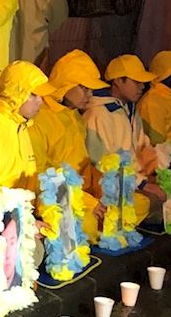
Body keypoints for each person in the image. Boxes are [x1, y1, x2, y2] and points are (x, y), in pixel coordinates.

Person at [28, 50, 110, 239]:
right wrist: (88, 201)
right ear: (66, 85)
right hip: (55, 198)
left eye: (91, 89)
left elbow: (84, 163)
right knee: (88, 225)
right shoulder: (40, 118)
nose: (90, 94)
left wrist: (101, 190)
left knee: (130, 204)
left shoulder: (73, 113)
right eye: (84, 88)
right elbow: (41, 178)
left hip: (83, 194)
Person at [0, 60, 56, 208]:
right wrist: (17, 215)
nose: (40, 102)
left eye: (41, 96)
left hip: (23, 214)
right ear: (16, 94)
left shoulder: (21, 124)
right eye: (33, 94)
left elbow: (32, 177)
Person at [84, 55, 165, 212]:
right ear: (117, 81)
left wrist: (157, 170)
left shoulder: (129, 108)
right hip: (112, 187)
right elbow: (103, 165)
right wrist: (142, 183)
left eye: (143, 82)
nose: (142, 86)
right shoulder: (98, 114)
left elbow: (143, 147)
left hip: (134, 179)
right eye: (136, 82)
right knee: (150, 200)